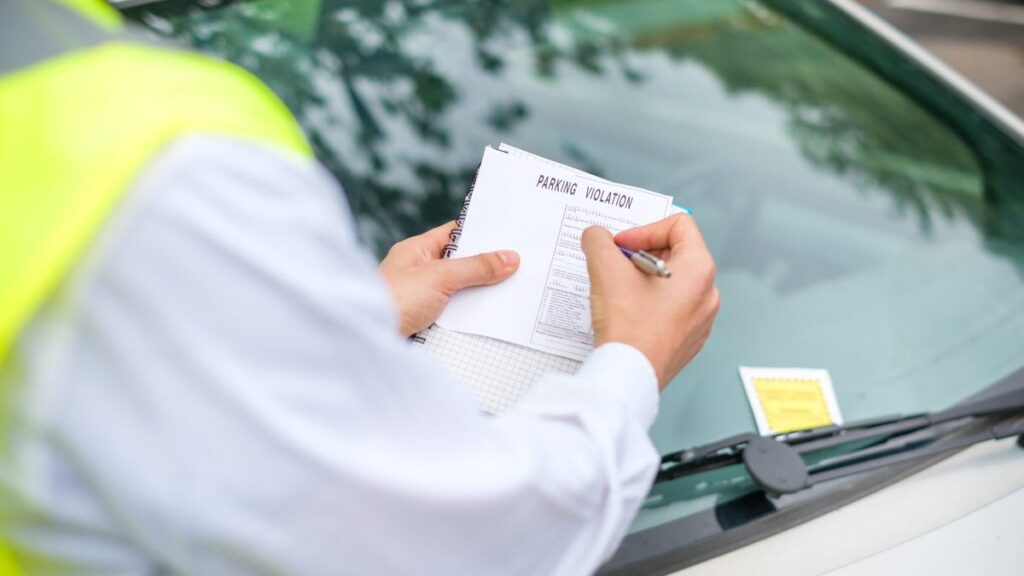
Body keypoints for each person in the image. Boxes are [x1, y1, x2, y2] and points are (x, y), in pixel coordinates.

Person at [0, 0, 719, 574]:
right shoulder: (154, 156)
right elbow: (449, 548)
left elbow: (108, 384)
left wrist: (352, 322)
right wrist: (633, 361)